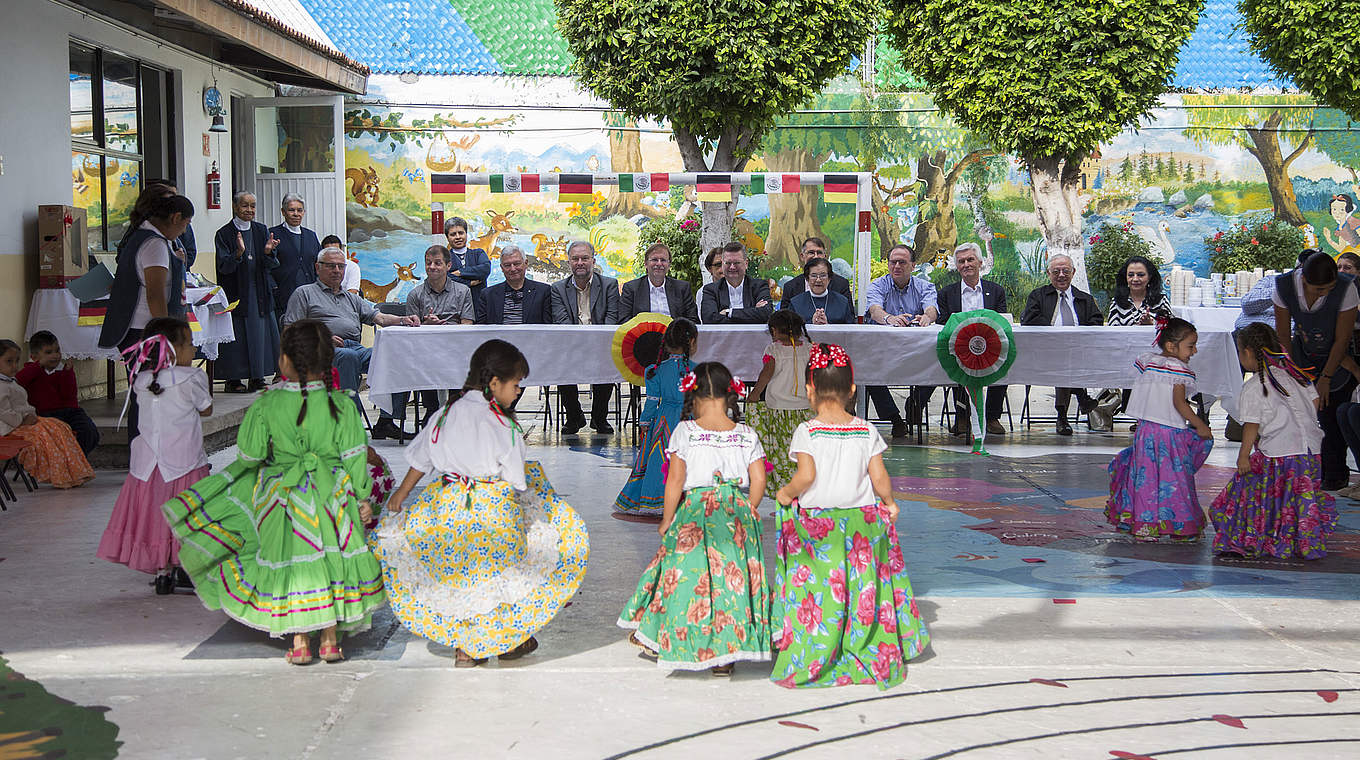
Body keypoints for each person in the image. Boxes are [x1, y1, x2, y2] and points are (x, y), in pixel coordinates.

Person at [162, 320, 387, 665]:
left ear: (285, 360)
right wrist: (362, 498)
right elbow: (355, 457)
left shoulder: (266, 405)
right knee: (333, 560)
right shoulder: (340, 405)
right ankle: (329, 641)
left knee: (290, 565)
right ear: (328, 360)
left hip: (282, 497)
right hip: (334, 496)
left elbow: (249, 455)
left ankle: (299, 641)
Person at [371, 339, 589, 667]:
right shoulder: (505, 425)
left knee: (458, 579)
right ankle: (503, 637)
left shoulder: (444, 414)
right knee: (501, 574)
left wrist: (400, 496)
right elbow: (515, 479)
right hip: (492, 512)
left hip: (444, 510)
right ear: (494, 383)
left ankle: (465, 648)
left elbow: (421, 459)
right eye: (516, 385)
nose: (518, 392)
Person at [771, 343, 929, 689]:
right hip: (861, 523)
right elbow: (879, 476)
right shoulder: (865, 430)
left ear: (809, 389)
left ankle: (820, 644)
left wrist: (784, 494)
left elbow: (806, 477)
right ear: (852, 390)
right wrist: (888, 502)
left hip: (819, 526)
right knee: (861, 588)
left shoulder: (808, 431)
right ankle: (862, 641)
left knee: (821, 587)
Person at [618, 362, 770, 676]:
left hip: (696, 512)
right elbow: (758, 479)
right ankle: (727, 652)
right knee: (731, 582)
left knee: (683, 578)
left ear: (694, 395)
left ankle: (667, 636)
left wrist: (668, 517)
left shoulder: (686, 431)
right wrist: (749, 508)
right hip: (735, 511)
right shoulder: (746, 434)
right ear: (731, 395)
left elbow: (674, 481)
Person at [96, 318, 211, 592]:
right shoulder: (193, 377)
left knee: (155, 516)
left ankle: (162, 571)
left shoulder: (142, 380)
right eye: (190, 345)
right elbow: (206, 409)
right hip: (184, 461)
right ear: (172, 350)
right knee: (186, 515)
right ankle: (185, 566)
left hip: (148, 465)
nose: (194, 351)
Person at [1210, 323, 1337, 558]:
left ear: (1247, 352)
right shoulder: (1297, 376)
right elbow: (1315, 402)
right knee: (1295, 499)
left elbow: (1251, 424)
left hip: (1280, 453)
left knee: (1259, 495)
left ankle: (1257, 537)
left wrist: (1243, 455)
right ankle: (1296, 542)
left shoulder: (1254, 386)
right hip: (1310, 450)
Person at [281, 248, 419, 438]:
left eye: (340, 266)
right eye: (330, 266)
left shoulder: (351, 298)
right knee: (348, 356)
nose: (336, 270)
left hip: (353, 347)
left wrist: (404, 319)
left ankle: (387, 421)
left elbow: (380, 318)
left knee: (396, 357)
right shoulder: (304, 293)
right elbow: (290, 330)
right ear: (317, 267)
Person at [1105, 318, 1214, 542]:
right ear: (1171, 347)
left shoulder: (1149, 361)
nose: (1194, 351)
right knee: (1174, 480)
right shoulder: (1178, 369)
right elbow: (1179, 403)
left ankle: (1144, 524)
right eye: (1191, 346)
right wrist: (1200, 424)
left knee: (1145, 479)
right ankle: (1179, 524)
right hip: (1169, 434)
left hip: (1145, 431)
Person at [98, 192, 195, 440]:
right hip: (146, 332)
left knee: (145, 392)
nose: (184, 231)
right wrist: (166, 334)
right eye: (185, 224)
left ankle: (146, 455)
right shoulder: (154, 244)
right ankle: (146, 454)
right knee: (150, 395)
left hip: (138, 330)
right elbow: (155, 294)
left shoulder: (139, 236)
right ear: (175, 218)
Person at [1273, 250, 1357, 490]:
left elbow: (1342, 339)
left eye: (1330, 288)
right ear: (1304, 281)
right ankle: (1304, 473)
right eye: (1320, 290)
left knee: (1330, 414)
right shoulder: (1283, 286)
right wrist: (1293, 375)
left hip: (1337, 359)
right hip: (1302, 355)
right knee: (1303, 413)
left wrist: (1326, 378)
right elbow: (1283, 336)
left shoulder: (1346, 288)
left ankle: (1336, 474)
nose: (1326, 293)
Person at [613, 318, 698, 519]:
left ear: (666, 343)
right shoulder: (697, 369)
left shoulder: (654, 370)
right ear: (692, 342)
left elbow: (652, 402)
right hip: (690, 420)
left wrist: (644, 423)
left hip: (664, 422)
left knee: (659, 460)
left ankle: (656, 500)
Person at [392, 245, 476, 428]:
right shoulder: (415, 294)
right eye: (428, 263)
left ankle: (455, 410)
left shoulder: (463, 291)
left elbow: (467, 325)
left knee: (464, 359)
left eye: (438, 263)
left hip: (456, 347)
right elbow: (411, 331)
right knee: (421, 360)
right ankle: (431, 409)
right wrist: (426, 325)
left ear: (448, 265)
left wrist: (445, 328)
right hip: (425, 348)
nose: (432, 267)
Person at [1021, 254, 1103, 435]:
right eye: (1056, 271)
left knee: (1067, 359)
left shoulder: (1084, 299)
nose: (1061, 275)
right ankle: (1079, 400)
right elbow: (1029, 319)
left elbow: (1096, 321)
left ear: (1073, 272)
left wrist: (1078, 335)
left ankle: (1063, 415)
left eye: (1065, 271)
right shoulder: (1038, 296)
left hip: (1078, 353)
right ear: (1048, 274)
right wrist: (1056, 334)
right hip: (1044, 353)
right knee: (1064, 359)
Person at [864, 244, 938, 439]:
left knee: (939, 363)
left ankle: (916, 403)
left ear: (913, 265)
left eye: (902, 262)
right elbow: (874, 310)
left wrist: (926, 318)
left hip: (917, 351)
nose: (896, 266)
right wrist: (890, 318)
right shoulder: (877, 285)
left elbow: (932, 308)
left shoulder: (925, 286)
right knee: (868, 372)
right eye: (893, 262)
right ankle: (895, 418)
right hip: (881, 351)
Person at [935, 243, 1009, 435]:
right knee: (954, 363)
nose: (966, 264)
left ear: (980, 262)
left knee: (1005, 361)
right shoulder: (946, 293)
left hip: (991, 346)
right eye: (961, 261)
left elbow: (1001, 320)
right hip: (958, 347)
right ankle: (962, 417)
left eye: (970, 259)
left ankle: (992, 417)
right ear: (957, 266)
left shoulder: (996, 291)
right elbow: (944, 322)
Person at [0, 339, 94, 489]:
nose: (14, 366)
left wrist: (68, 373)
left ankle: (75, 471)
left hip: (27, 420)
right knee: (47, 435)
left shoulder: (9, 381)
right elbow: (3, 413)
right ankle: (60, 475)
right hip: (10, 427)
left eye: (16, 361)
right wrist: (22, 420)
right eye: (9, 361)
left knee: (60, 427)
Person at [214, 191, 281, 393]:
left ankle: (257, 377)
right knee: (236, 337)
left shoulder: (261, 230)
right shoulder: (224, 233)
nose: (249, 210)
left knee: (260, 335)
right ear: (235, 207)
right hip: (236, 292)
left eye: (252, 206)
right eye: (245, 206)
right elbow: (223, 267)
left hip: (259, 290)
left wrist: (269, 252)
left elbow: (271, 264)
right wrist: (238, 254)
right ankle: (233, 379)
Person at [550, 241, 620, 434]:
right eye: (575, 259)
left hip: (601, 344)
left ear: (593, 261)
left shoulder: (609, 285)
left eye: (585, 258)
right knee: (561, 364)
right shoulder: (557, 289)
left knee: (606, 362)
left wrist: (596, 344)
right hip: (571, 345)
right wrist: (579, 346)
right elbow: (561, 321)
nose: (580, 262)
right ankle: (574, 417)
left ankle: (599, 418)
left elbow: (612, 319)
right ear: (569, 262)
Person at [747, 310, 813, 494]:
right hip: (805, 410)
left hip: (779, 410)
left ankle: (785, 491)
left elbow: (766, 373)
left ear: (774, 330)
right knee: (802, 451)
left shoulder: (773, 350)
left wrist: (755, 393)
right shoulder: (810, 349)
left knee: (782, 452)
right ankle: (803, 489)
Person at [16, 331, 99, 454]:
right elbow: (19, 380)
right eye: (48, 352)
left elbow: (70, 397)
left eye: (57, 350)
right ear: (34, 357)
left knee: (89, 431)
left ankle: (77, 460)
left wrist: (68, 373)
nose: (55, 355)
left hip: (71, 411)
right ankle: (62, 464)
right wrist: (38, 366)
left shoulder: (63, 370)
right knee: (57, 434)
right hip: (45, 414)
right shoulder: (31, 370)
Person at [268, 194, 321, 316]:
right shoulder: (272, 234)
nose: (296, 214)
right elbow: (266, 266)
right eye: (291, 210)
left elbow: (318, 264)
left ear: (304, 212)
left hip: (310, 296)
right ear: (283, 212)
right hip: (283, 297)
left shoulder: (311, 236)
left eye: (299, 210)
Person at [619, 243, 700, 322]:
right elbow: (624, 321)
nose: (659, 263)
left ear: (669, 265)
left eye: (663, 260)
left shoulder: (682, 288)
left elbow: (693, 320)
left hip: (675, 334)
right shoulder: (631, 288)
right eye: (654, 260)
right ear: (646, 264)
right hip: (642, 334)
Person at [700, 242, 774, 325]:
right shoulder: (711, 290)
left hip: (754, 337)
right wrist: (753, 313)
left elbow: (765, 314)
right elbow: (709, 319)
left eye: (736, 263)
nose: (732, 267)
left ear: (746, 264)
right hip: (722, 337)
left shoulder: (759, 286)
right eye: (728, 263)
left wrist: (728, 312)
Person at [477, 245, 552, 325]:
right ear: (501, 268)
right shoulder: (488, 295)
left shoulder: (543, 292)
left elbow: (548, 327)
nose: (512, 269)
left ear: (526, 263)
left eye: (516, 264)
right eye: (507, 265)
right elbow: (481, 328)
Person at [778, 237, 853, 310]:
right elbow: (784, 319)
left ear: (825, 256)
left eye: (819, 253)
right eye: (811, 252)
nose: (816, 256)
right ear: (802, 256)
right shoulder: (790, 287)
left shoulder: (841, 284)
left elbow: (849, 318)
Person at [787, 257, 855, 325]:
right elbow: (789, 330)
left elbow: (850, 331)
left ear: (829, 278)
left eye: (823, 275)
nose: (818, 280)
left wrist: (828, 325)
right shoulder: (795, 303)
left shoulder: (842, 302)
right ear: (807, 279)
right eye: (814, 276)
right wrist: (811, 324)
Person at [443, 217, 492, 301]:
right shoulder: (444, 258)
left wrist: (460, 272)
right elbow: (443, 279)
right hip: (453, 307)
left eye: (461, 233)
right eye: (453, 234)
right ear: (447, 237)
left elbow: (485, 269)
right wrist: (469, 283)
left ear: (466, 234)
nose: (458, 237)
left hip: (478, 306)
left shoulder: (478, 253)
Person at [697, 246, 723, 321]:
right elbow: (705, 320)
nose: (723, 268)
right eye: (718, 265)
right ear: (709, 269)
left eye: (726, 263)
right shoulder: (703, 292)